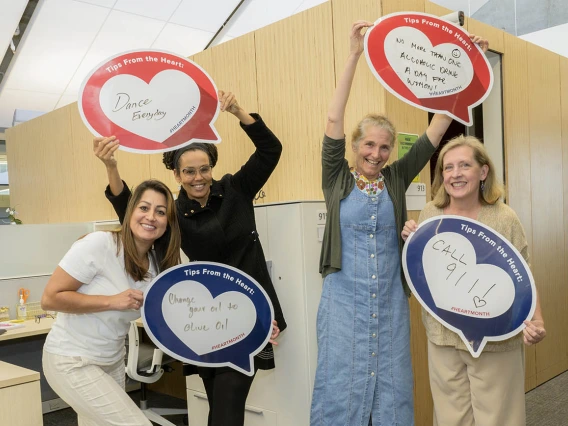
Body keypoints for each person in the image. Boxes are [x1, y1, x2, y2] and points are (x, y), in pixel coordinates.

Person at [311, 21, 489, 426]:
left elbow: (439, 126)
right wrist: (354, 55)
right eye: (369, 144)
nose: (376, 153)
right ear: (355, 146)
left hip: (390, 302)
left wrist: (468, 66)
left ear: (393, 151)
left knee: (391, 390)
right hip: (343, 302)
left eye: (384, 146)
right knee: (341, 387)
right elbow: (333, 117)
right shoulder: (336, 176)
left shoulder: (394, 177)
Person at [93, 90, 285, 426]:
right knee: (219, 410)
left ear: (212, 167)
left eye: (204, 169)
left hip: (251, 316)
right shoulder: (174, 212)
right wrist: (111, 165)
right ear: (177, 175)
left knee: (226, 413)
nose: (198, 178)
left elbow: (271, 150)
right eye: (189, 172)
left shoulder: (237, 191)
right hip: (202, 322)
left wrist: (238, 111)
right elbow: (129, 210)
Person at [401, 135, 546, 426]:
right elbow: (422, 270)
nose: (455, 174)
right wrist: (411, 240)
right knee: (450, 418)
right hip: (443, 336)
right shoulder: (431, 213)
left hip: (495, 337)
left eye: (464, 165)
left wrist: (537, 322)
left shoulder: (505, 218)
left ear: (483, 172)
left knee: (499, 417)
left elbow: (523, 275)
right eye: (448, 167)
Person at [41, 179, 181, 426]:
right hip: (72, 359)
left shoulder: (158, 265)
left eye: (160, 212)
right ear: (130, 212)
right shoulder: (100, 244)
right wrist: (112, 301)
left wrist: (248, 333)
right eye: (144, 208)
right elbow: (50, 298)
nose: (151, 217)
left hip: (113, 360)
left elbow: (182, 313)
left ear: (167, 222)